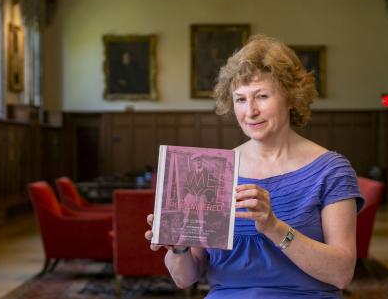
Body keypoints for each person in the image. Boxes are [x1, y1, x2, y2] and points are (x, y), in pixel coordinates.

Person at [145, 35, 364, 298]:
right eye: (240, 99)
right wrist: (178, 248)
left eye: (261, 96)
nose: (250, 111)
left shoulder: (331, 170)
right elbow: (184, 279)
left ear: (292, 98)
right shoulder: (213, 171)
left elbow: (341, 274)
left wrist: (274, 227)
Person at [178, 153, 216, 247]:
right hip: (191, 196)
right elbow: (186, 186)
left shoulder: (208, 174)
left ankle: (201, 234)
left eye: (199, 160)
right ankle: (182, 234)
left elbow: (211, 188)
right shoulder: (190, 174)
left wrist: (205, 195)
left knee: (201, 207)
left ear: (201, 161)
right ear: (193, 163)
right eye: (195, 161)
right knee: (187, 202)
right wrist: (184, 197)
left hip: (202, 197)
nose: (198, 162)